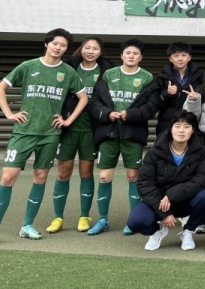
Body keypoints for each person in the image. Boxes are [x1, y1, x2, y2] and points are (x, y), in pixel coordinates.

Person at [0, 29, 87, 240]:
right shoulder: (28, 66)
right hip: (24, 131)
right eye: (55, 43)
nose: (58, 48)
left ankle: (27, 225)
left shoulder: (68, 72)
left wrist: (67, 121)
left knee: (40, 177)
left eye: (63, 45)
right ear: (46, 44)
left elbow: (83, 97)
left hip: (50, 134)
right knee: (8, 177)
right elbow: (1, 87)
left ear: (66, 49)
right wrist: (9, 113)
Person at [87, 38, 159, 236]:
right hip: (108, 132)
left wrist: (131, 114)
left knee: (133, 176)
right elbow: (95, 102)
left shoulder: (147, 78)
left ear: (141, 57)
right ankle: (103, 220)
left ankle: (133, 220)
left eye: (135, 53)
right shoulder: (108, 75)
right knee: (104, 176)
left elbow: (151, 107)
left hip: (133, 133)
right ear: (121, 55)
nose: (131, 56)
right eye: (128, 53)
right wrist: (107, 113)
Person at [47, 37, 113, 234]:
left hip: (91, 129)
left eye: (95, 48)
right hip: (68, 128)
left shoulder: (106, 72)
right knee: (63, 172)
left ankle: (84, 216)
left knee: (86, 172)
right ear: (80, 50)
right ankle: (58, 217)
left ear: (101, 52)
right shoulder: (69, 68)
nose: (90, 51)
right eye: (87, 48)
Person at [126, 111, 205, 252]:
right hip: (159, 202)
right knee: (136, 222)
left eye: (186, 126)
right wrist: (164, 214)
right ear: (171, 129)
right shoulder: (154, 152)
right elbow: (145, 184)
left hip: (185, 200)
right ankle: (157, 231)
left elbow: (203, 179)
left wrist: (172, 194)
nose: (181, 130)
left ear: (192, 130)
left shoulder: (202, 152)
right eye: (177, 126)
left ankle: (188, 231)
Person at [155, 42, 203, 136]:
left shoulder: (200, 76)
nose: (180, 59)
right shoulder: (162, 77)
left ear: (189, 57)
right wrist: (167, 94)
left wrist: (196, 98)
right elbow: (157, 103)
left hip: (191, 121)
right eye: (176, 56)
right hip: (167, 122)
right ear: (170, 58)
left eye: (183, 55)